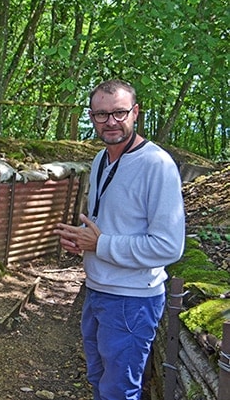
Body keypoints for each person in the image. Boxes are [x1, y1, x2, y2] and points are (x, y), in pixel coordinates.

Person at [54, 79, 185, 400]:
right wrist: (82, 244)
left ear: (135, 113)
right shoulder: (101, 159)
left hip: (133, 301)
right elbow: (108, 226)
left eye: (119, 113)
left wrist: (99, 245)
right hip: (97, 291)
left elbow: (170, 246)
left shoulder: (157, 165)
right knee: (99, 380)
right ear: (91, 117)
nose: (110, 121)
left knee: (118, 391)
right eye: (101, 115)